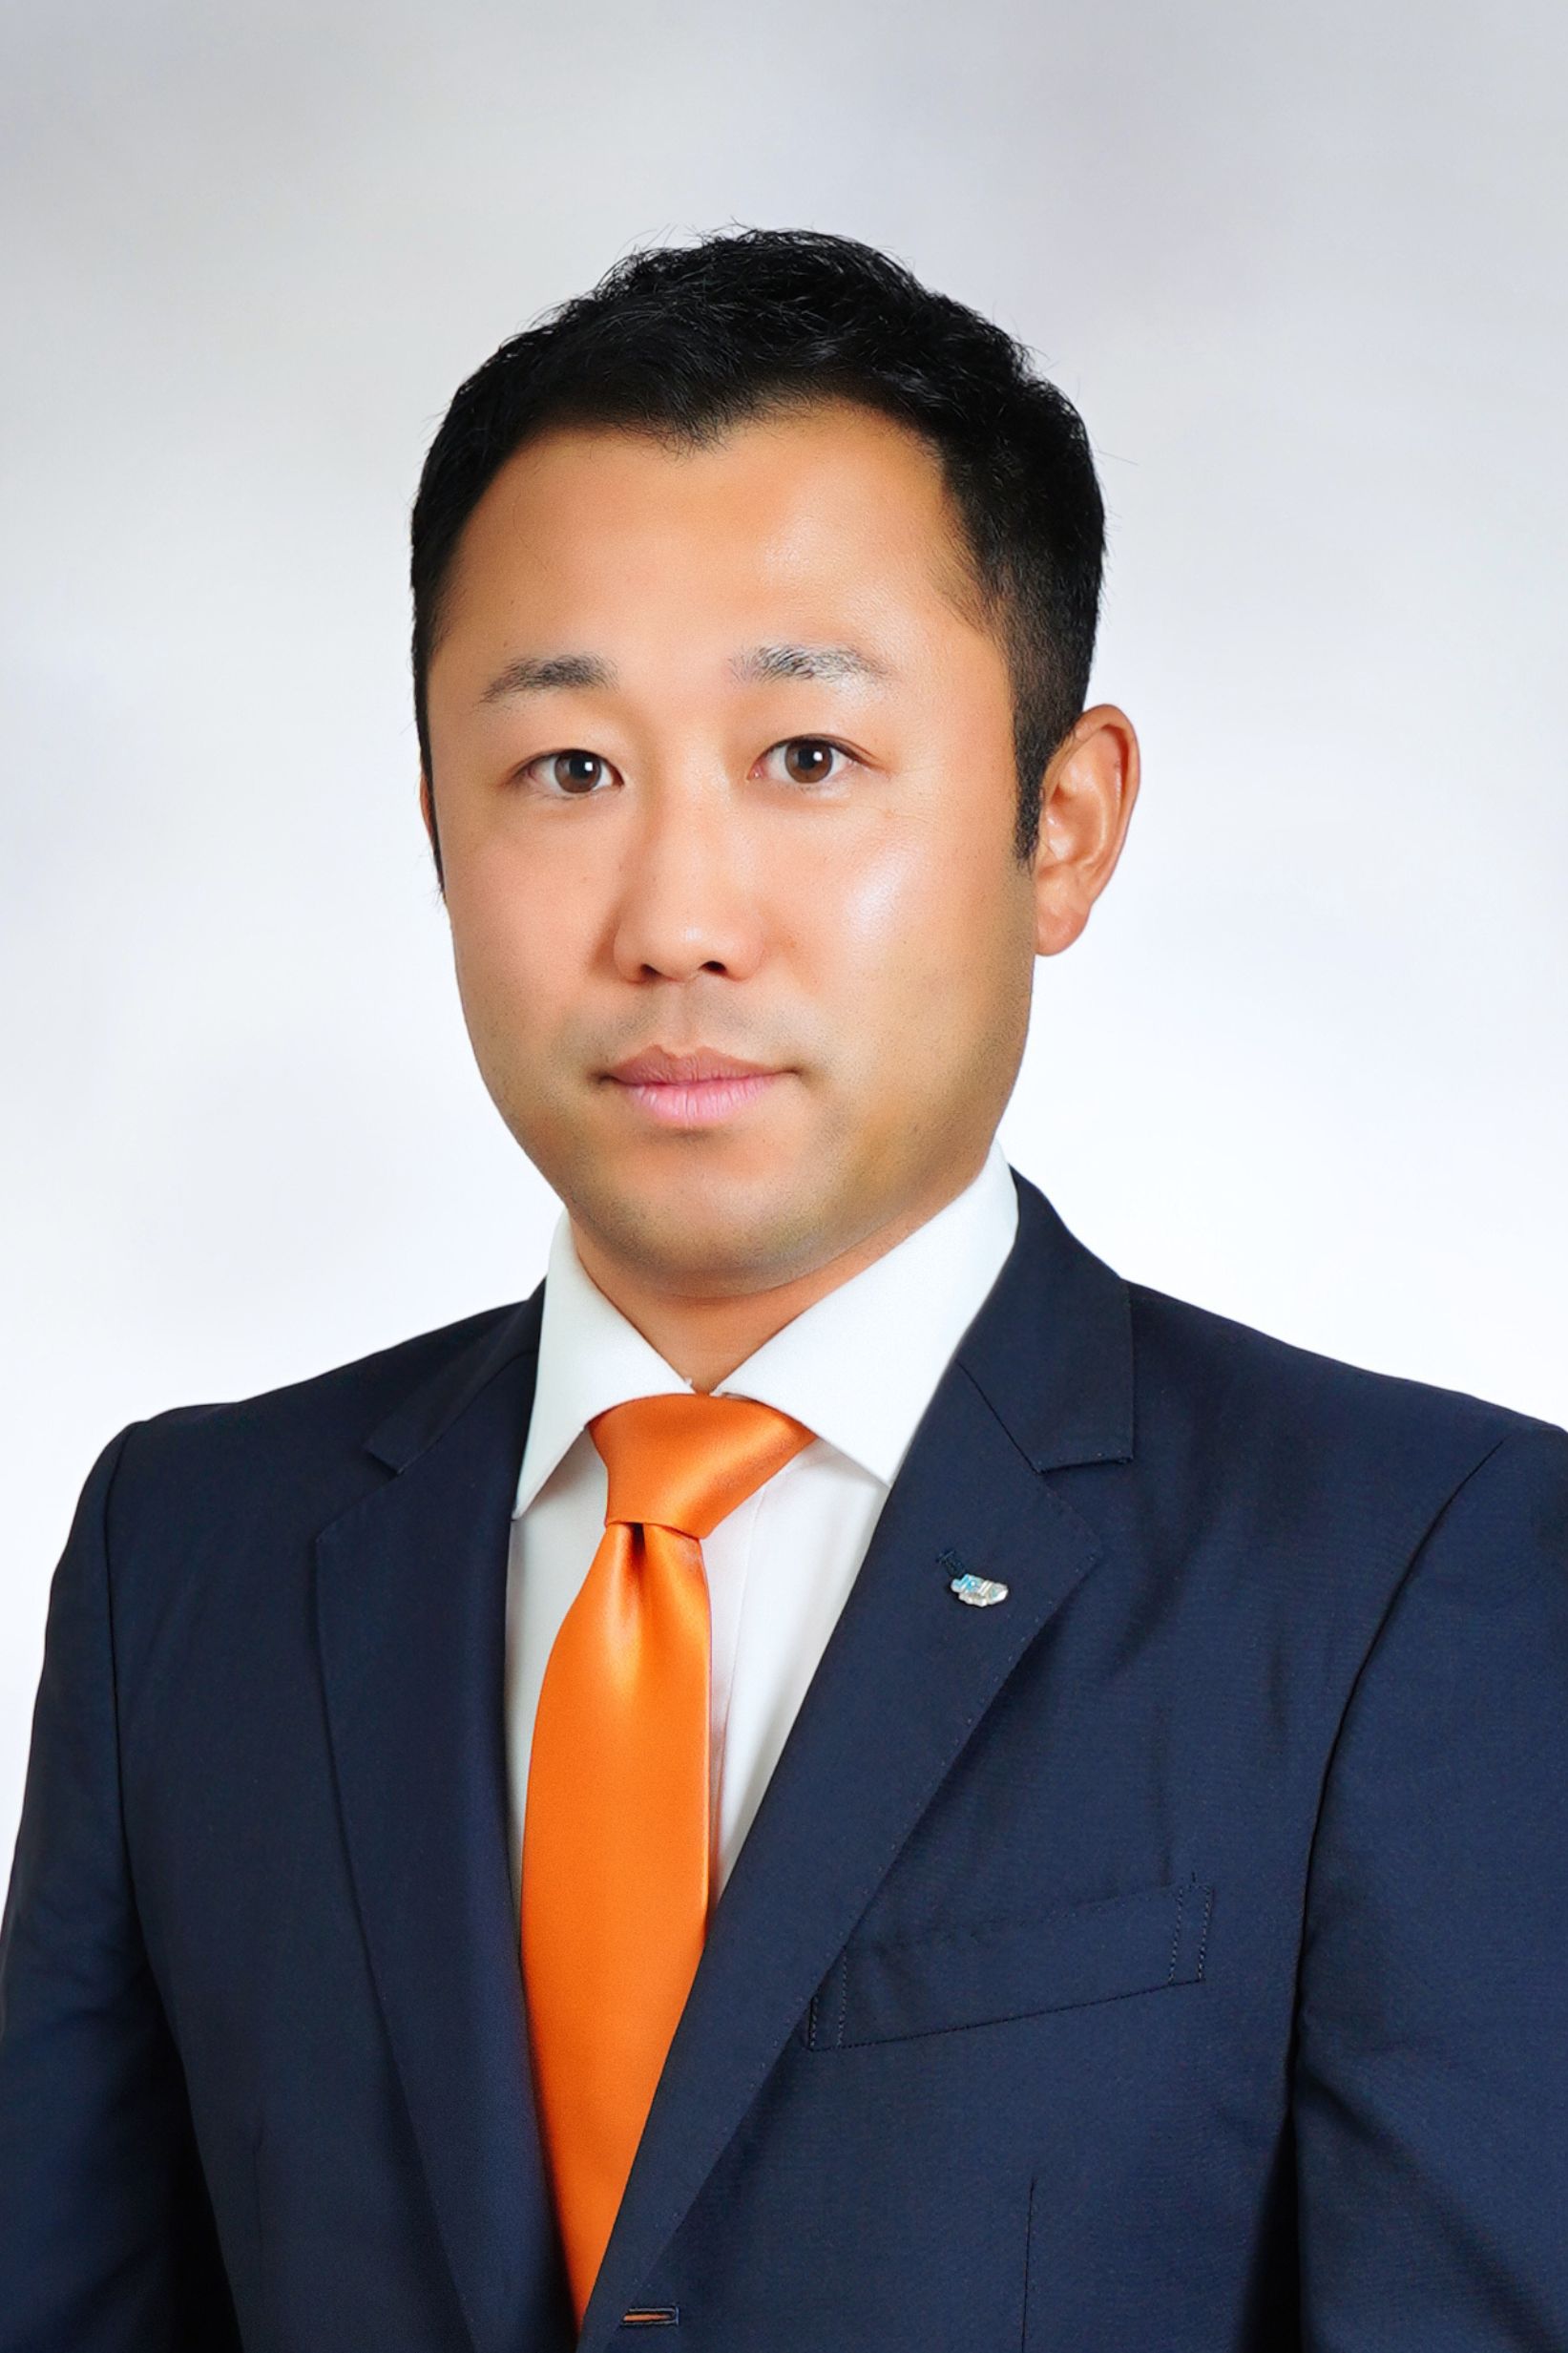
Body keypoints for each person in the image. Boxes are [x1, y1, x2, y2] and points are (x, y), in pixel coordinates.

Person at [1, 225, 1564, 2353]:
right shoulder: (188, 1559)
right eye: (569, 769)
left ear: (1063, 824)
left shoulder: (1416, 1572)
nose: (678, 916)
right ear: (438, 825)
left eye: (807, 758)